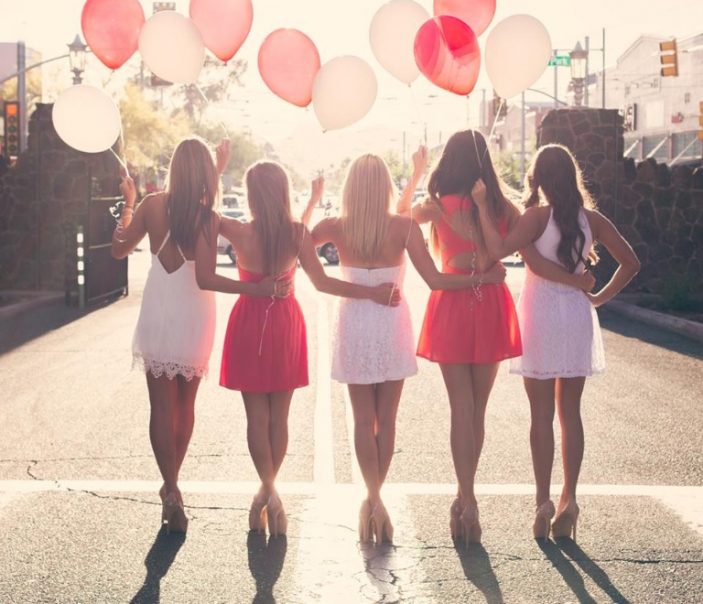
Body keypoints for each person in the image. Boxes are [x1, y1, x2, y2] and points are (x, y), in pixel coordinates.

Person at [398, 132, 595, 546]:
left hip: (453, 300)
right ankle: (470, 496)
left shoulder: (436, 205)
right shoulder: (500, 206)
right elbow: (510, 246)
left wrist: (416, 176)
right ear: (484, 162)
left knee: (461, 408)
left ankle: (466, 498)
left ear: (448, 160)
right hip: (488, 300)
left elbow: (398, 220)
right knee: (478, 410)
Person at [303, 155, 506, 544]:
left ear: (348, 188)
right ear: (385, 187)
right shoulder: (403, 227)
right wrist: (483, 278)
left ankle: (373, 499)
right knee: (387, 419)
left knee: (363, 420)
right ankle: (377, 500)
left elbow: (297, 241)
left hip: (355, 325)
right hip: (392, 324)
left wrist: (313, 200)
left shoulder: (334, 227)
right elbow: (436, 280)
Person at [195, 160, 401, 538]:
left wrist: (217, 168)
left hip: (248, 322)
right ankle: (270, 491)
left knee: (256, 418)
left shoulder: (238, 231)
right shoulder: (297, 234)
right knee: (280, 417)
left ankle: (269, 492)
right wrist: (370, 292)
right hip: (285, 324)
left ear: (252, 196)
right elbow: (322, 282)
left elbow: (205, 208)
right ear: (284, 192)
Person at [111, 137, 283, 534]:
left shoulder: (152, 206)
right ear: (206, 173)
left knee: (160, 407)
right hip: (194, 314)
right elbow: (205, 276)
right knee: (185, 406)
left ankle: (171, 490)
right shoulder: (207, 217)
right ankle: (172, 485)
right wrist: (256, 288)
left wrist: (128, 203)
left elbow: (119, 250)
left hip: (158, 310)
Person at [471, 143, 639, 541]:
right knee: (571, 414)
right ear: (572, 177)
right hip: (577, 315)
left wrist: (480, 204)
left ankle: (543, 501)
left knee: (540, 415)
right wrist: (596, 296)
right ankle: (570, 499)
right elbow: (631, 262)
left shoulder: (535, 218)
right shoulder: (591, 220)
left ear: (539, 179)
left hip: (542, 316)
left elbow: (498, 250)